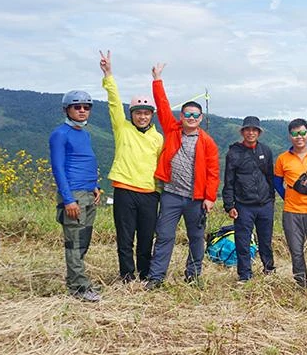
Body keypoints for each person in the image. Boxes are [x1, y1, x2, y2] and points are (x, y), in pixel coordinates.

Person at [146, 63, 220, 289]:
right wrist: (157, 79)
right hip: (171, 195)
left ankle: (193, 275)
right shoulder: (172, 129)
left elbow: (213, 172)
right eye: (187, 114)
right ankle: (156, 277)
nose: (191, 117)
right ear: (182, 115)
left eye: (195, 115)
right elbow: (162, 105)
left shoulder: (207, 142)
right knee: (165, 236)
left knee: (196, 238)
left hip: (196, 199)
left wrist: (209, 198)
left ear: (200, 117)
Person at [99, 50, 163, 283]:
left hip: (149, 193)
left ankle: (145, 274)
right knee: (125, 238)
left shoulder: (158, 138)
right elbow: (114, 103)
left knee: (146, 238)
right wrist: (109, 74)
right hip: (124, 190)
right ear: (132, 115)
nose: (142, 117)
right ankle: (127, 275)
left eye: (146, 113)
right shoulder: (122, 128)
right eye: (138, 113)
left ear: (151, 116)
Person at [49, 89, 103, 302]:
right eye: (77, 107)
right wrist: (69, 199)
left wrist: (96, 185)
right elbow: (58, 168)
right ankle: (79, 288)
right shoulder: (60, 134)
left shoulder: (84, 132)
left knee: (84, 240)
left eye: (86, 107)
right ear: (67, 109)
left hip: (89, 193)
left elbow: (85, 160)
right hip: (74, 195)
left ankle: (76, 279)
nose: (82, 110)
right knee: (75, 242)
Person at [222, 116, 276, 281]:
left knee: (265, 240)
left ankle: (269, 270)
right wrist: (229, 205)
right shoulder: (234, 153)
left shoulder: (265, 151)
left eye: (254, 130)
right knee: (242, 241)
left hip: (265, 204)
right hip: (243, 205)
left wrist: (271, 198)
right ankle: (245, 275)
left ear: (259, 132)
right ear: (242, 132)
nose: (251, 133)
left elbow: (270, 176)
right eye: (248, 130)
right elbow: (228, 181)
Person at [274, 119, 307, 288]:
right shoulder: (282, 159)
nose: (299, 137)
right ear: (290, 136)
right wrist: (287, 197)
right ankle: (301, 284)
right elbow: (277, 182)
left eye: (302, 133)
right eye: (295, 134)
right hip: (291, 211)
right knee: (296, 251)